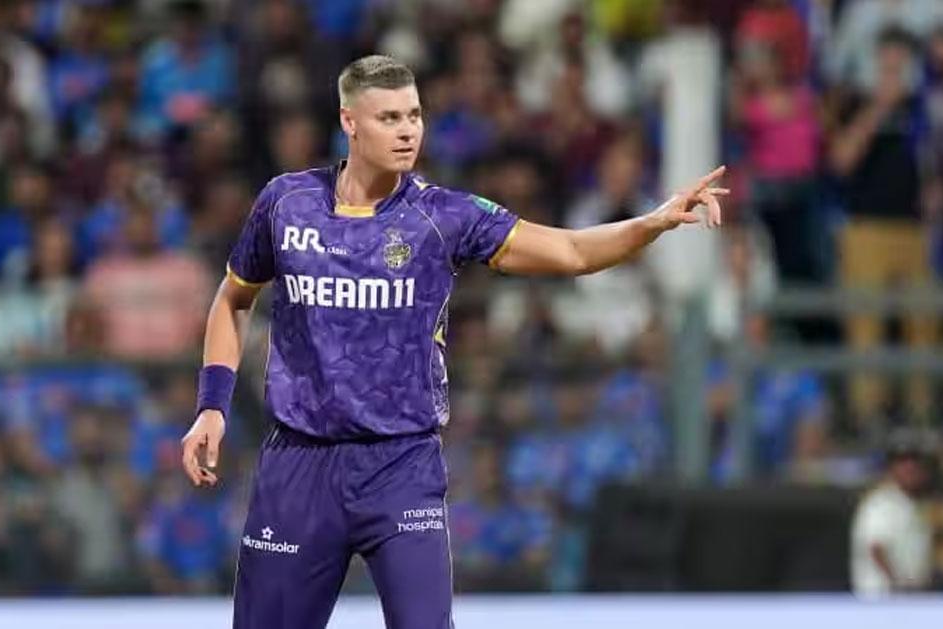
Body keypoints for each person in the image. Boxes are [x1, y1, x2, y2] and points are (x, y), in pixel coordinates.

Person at [179, 55, 727, 629]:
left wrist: (651, 223)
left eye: (414, 115)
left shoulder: (443, 216)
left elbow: (569, 252)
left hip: (400, 464)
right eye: (389, 117)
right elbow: (233, 299)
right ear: (349, 122)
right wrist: (212, 406)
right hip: (299, 464)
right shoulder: (286, 204)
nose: (408, 130)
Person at [849, 429, 934, 597]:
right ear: (891, 468)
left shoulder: (908, 503)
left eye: (915, 461)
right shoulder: (881, 502)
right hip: (883, 597)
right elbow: (876, 548)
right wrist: (898, 584)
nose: (910, 467)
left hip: (906, 597)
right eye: (902, 462)